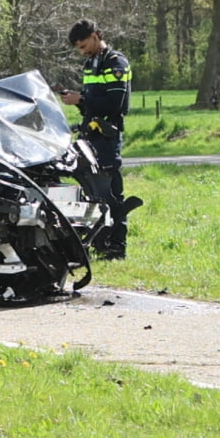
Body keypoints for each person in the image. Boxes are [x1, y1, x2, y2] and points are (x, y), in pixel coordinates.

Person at [59, 19, 137, 260]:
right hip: (90, 135)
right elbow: (92, 105)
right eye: (79, 49)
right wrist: (80, 102)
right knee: (93, 193)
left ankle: (116, 247)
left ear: (95, 36)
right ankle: (100, 243)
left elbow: (115, 104)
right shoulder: (90, 64)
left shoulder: (115, 62)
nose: (82, 51)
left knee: (111, 193)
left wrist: (81, 100)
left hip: (107, 136)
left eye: (84, 45)